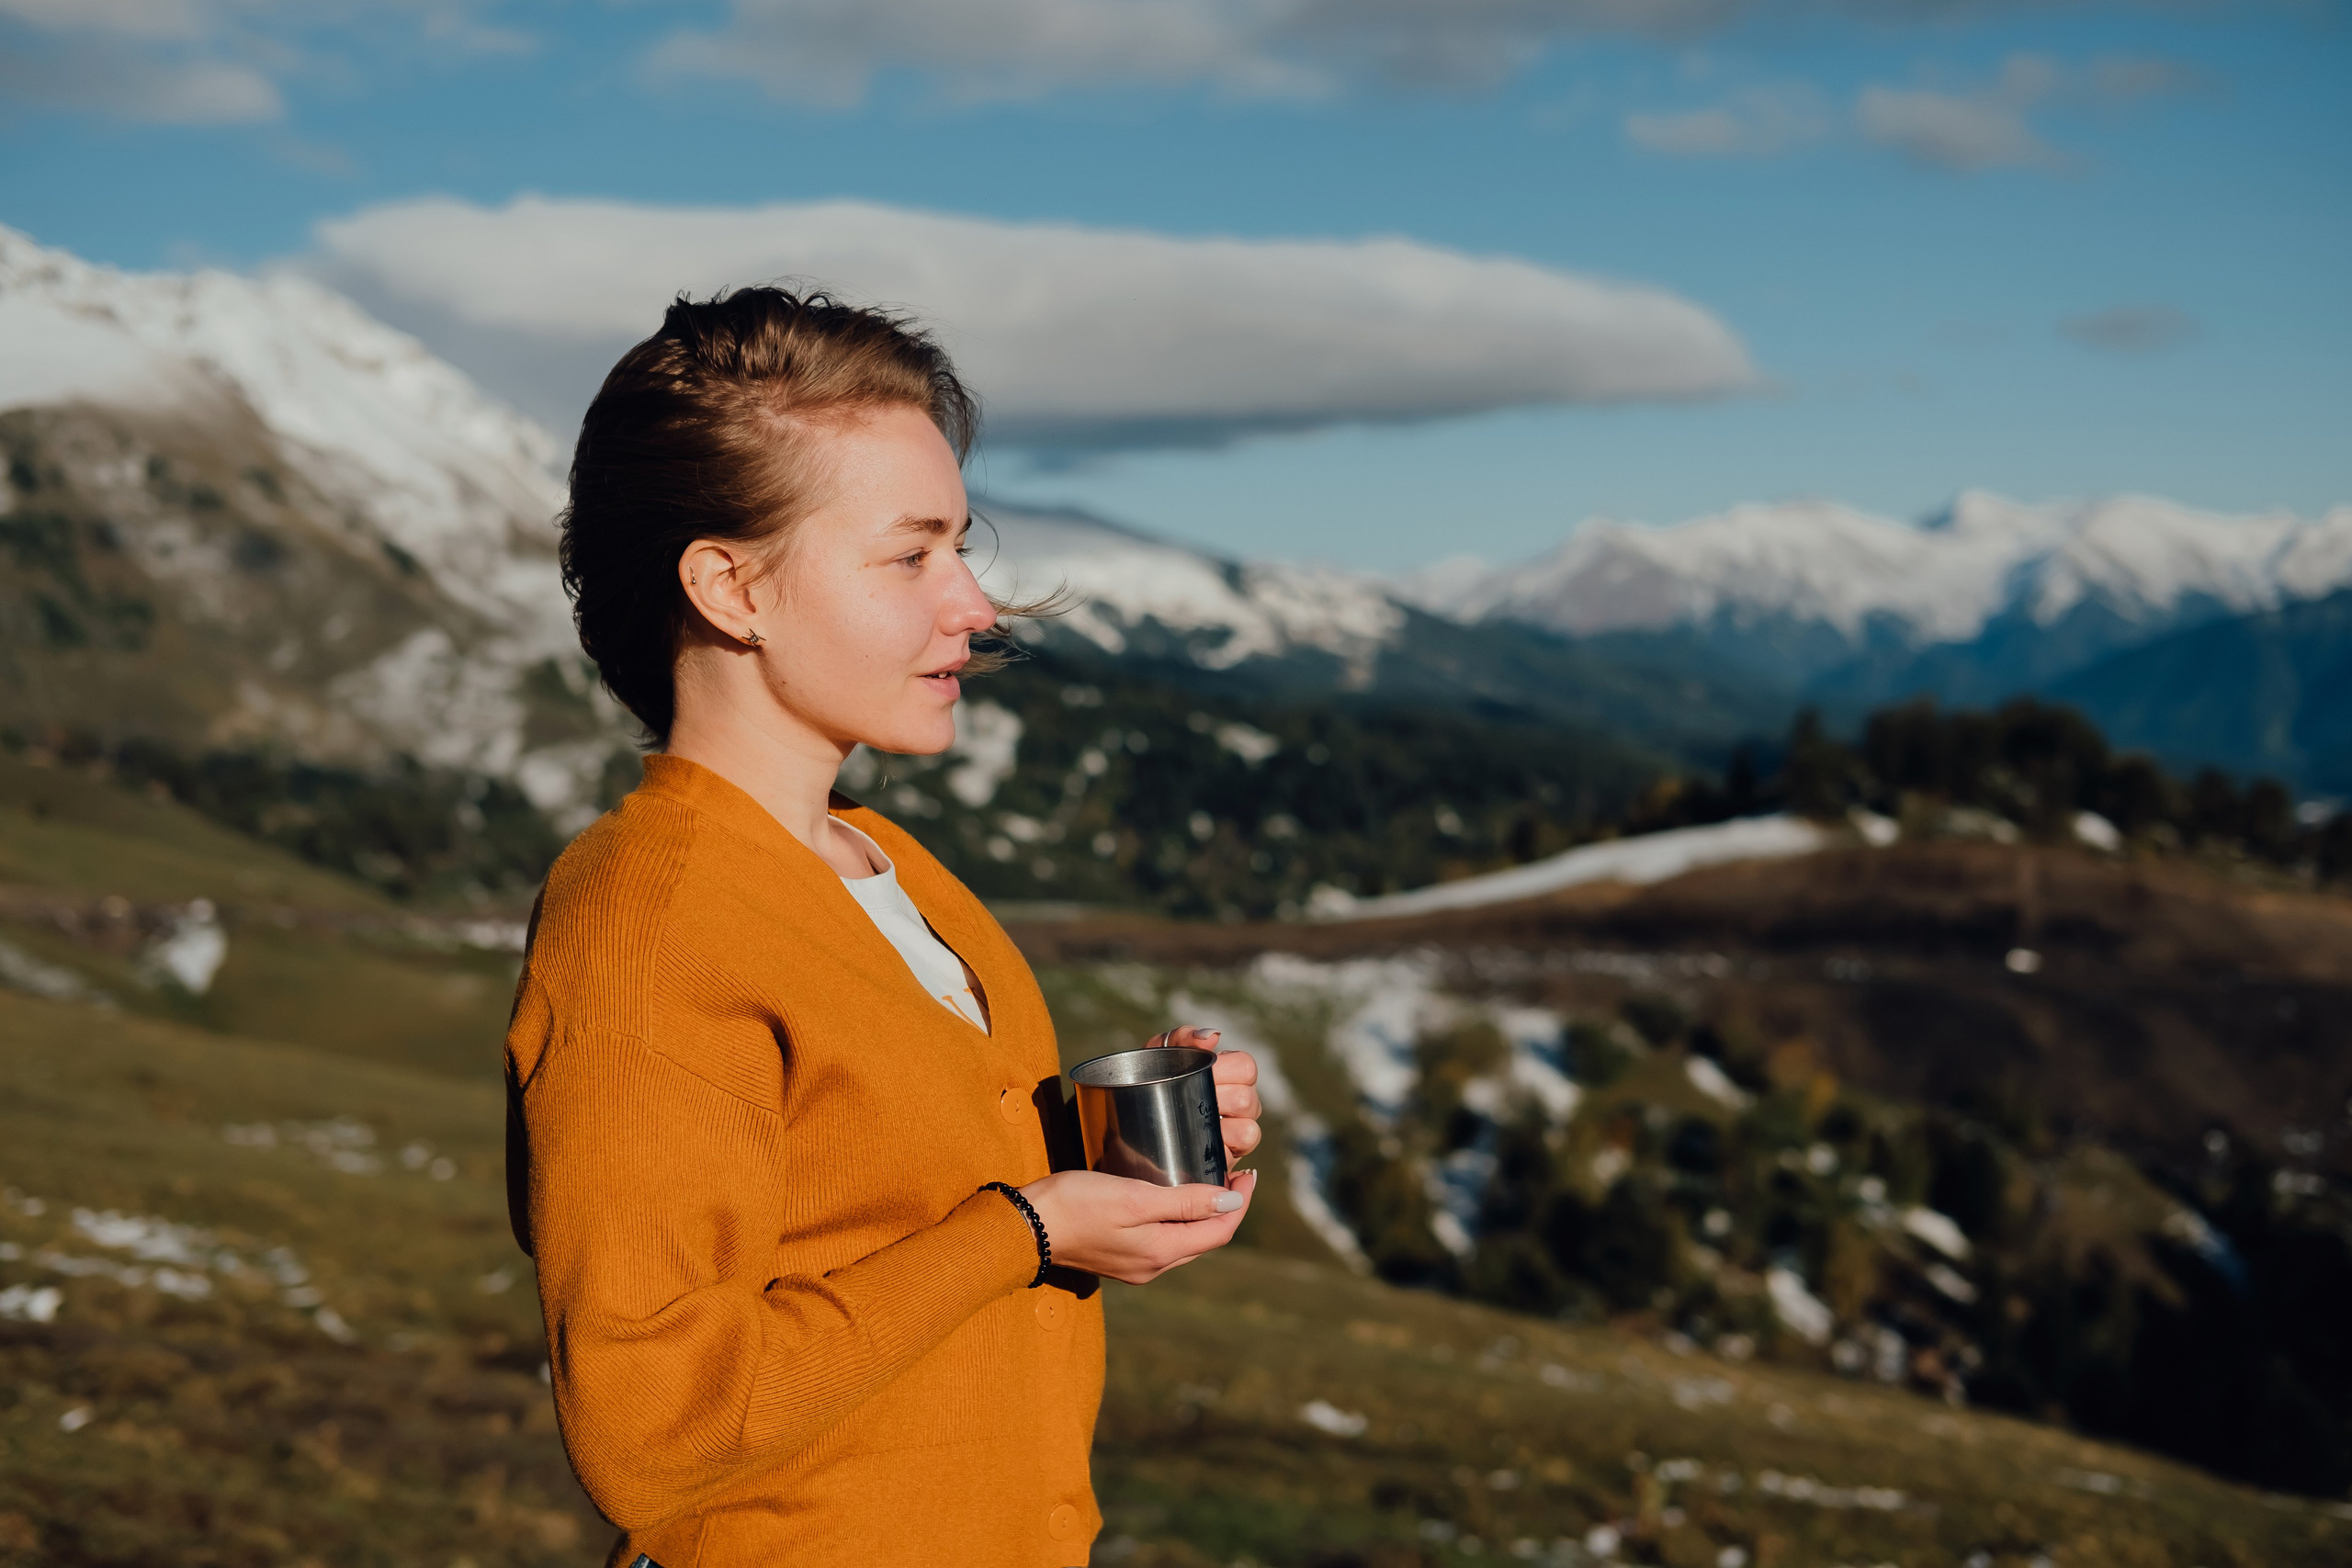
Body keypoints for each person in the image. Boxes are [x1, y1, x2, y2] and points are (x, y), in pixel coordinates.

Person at [503, 287, 1263, 1568]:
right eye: (910, 556)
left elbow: (881, 1203)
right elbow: (649, 1431)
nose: (973, 605)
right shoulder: (645, 917)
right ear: (730, 585)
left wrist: (1117, 1161)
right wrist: (1027, 1227)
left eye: (960, 547)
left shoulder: (887, 863)